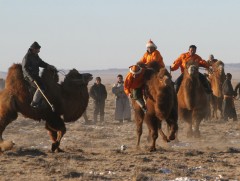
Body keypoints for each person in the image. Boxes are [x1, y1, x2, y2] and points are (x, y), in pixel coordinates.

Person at [22, 41, 56, 108]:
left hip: (36, 76)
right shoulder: (27, 57)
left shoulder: (35, 56)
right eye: (38, 49)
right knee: (40, 88)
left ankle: (39, 102)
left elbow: (41, 63)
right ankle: (34, 103)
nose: (39, 51)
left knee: (44, 86)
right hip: (29, 77)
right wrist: (31, 78)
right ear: (34, 49)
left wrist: (48, 66)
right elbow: (24, 69)